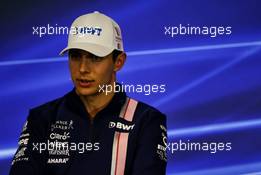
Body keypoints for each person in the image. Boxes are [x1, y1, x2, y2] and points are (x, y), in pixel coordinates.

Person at [9, 11, 167, 175]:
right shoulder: (41, 118)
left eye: (95, 57)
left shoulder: (146, 120)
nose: (83, 68)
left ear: (118, 62)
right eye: (76, 56)